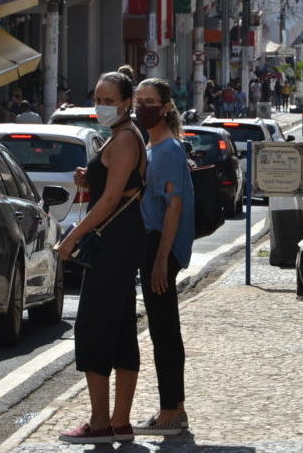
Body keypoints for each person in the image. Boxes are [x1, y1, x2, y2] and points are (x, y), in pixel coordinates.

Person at [57, 72, 147, 444]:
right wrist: (90, 178)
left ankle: (99, 423)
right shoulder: (121, 136)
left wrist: (72, 236)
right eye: (98, 98)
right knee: (121, 326)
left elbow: (111, 200)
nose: (101, 105)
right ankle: (119, 421)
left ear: (127, 102)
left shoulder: (125, 138)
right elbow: (114, 187)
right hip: (121, 241)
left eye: (109, 99)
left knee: (94, 327)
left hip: (113, 242)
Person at [131, 78, 195, 436]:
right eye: (139, 101)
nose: (143, 107)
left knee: (165, 332)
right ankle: (174, 407)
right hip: (154, 244)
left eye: (150, 101)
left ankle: (170, 409)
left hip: (160, 246)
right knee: (162, 330)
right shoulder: (153, 145)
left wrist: (160, 258)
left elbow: (174, 208)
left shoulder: (168, 150)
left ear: (166, 107)